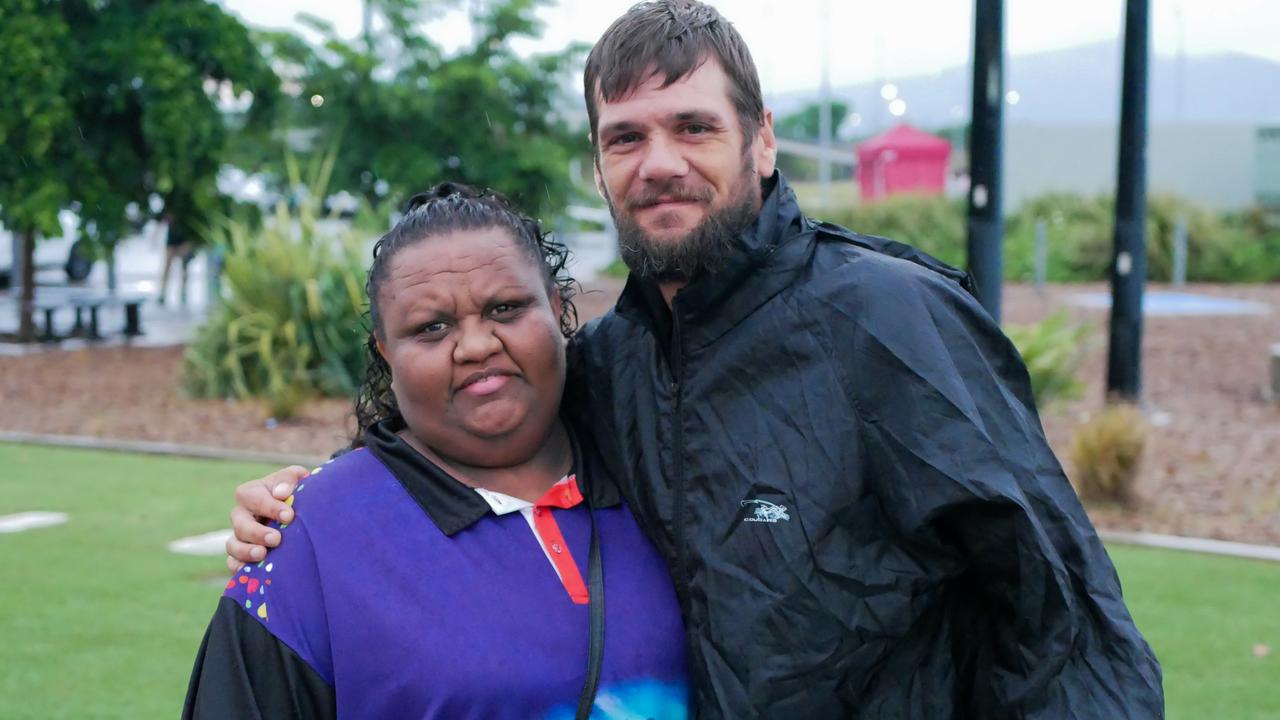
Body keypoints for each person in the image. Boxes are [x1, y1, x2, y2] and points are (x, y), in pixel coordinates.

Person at [225, 1, 1164, 717]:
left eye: (693, 127)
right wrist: (300, 505)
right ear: (600, 168)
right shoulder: (611, 363)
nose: (658, 162)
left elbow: (1064, 625)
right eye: (625, 137)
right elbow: (470, 419)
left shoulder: (890, 320)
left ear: (760, 141)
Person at [184, 185, 690, 718]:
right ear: (386, 350)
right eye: (433, 327)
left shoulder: (656, 473)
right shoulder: (304, 539)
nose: (476, 346)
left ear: (557, 309)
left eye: (506, 308)